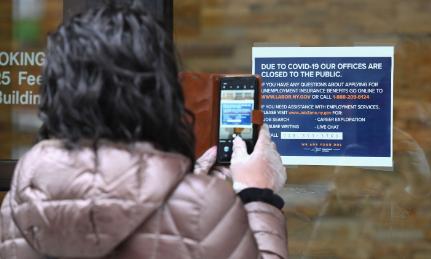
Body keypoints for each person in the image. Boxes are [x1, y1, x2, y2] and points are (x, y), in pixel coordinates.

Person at [0, 2, 287, 259]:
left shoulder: (18, 202)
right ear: (157, 91)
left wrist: (181, 182)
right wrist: (257, 193)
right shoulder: (201, 205)